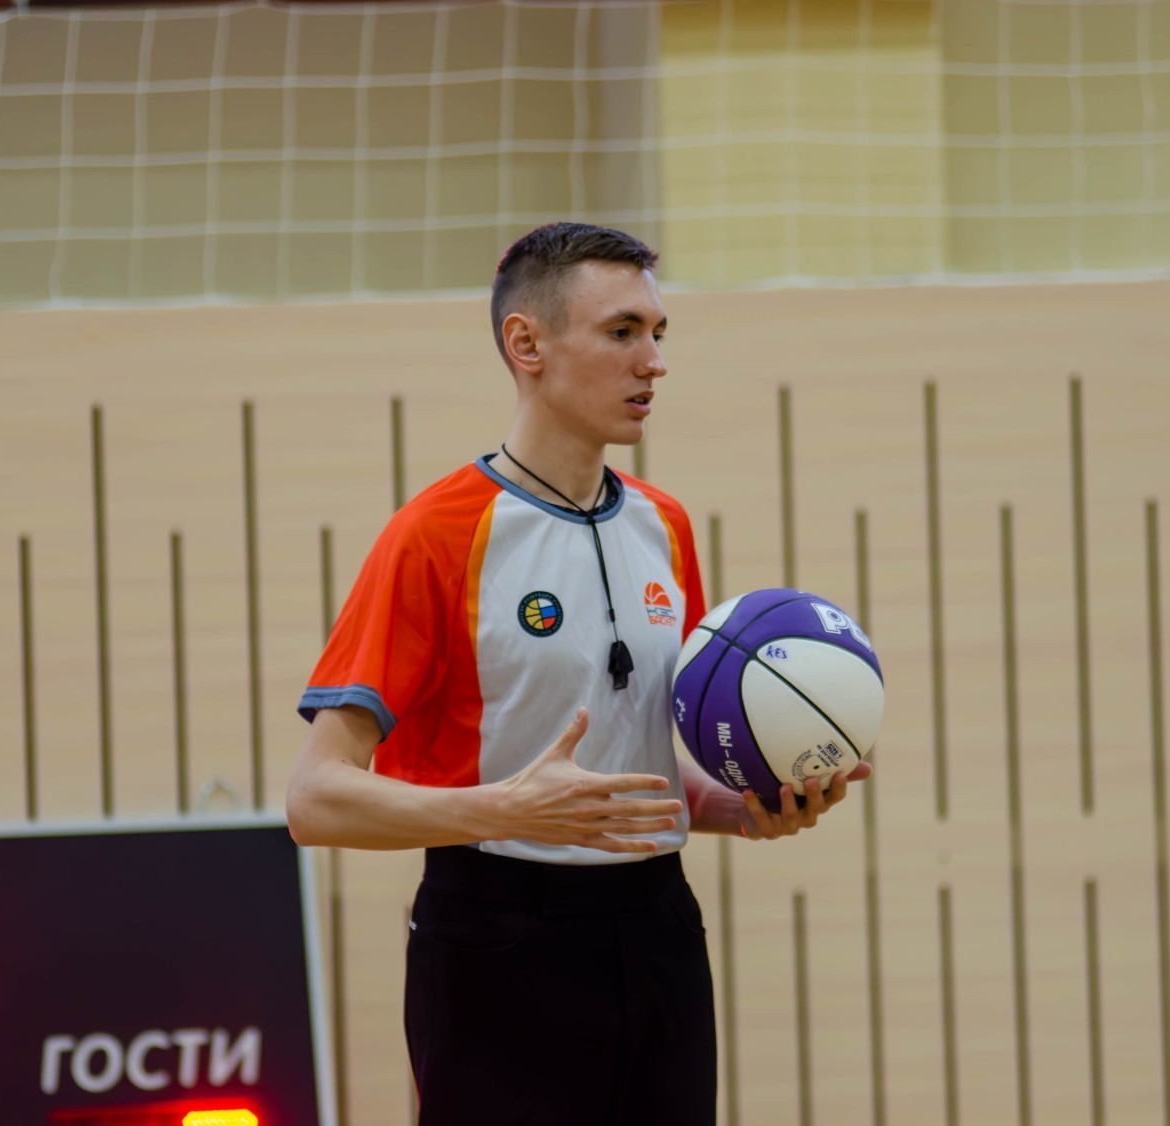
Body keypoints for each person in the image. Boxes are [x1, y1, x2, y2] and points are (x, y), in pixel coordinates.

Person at [285, 222, 871, 1125]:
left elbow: (636, 767)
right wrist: (503, 809)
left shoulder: (665, 526)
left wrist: (740, 807)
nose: (654, 362)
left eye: (658, 333)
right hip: (494, 935)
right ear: (527, 345)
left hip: (658, 927)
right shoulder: (434, 536)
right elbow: (315, 800)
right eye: (622, 332)